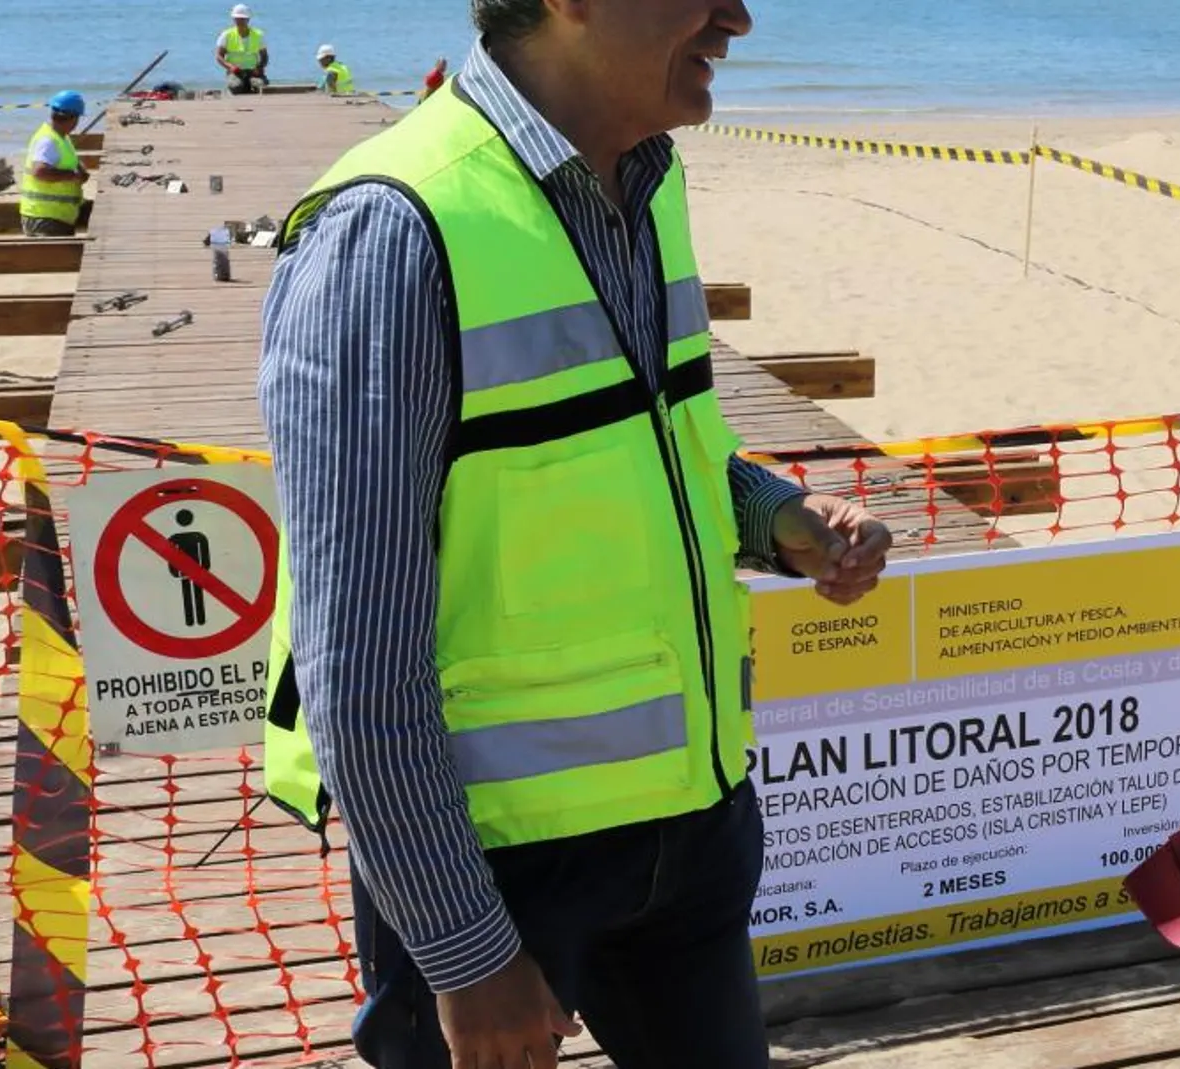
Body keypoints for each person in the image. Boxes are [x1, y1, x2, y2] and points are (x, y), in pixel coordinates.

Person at [257, 1, 890, 1068]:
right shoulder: (390, 229)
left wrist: (774, 514)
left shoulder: (647, 179)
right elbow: (353, 654)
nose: (738, 15)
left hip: (692, 829)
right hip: (493, 868)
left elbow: (644, 446)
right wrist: (463, 952)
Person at [19, 91, 90, 238]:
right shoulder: (48, 140)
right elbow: (39, 171)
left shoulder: (61, 138)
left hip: (56, 216)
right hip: (45, 217)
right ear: (74, 118)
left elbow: (67, 163)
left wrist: (80, 170)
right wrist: (72, 176)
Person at [216, 4, 270, 94]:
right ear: (233, 19)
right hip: (235, 72)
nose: (239, 21)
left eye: (242, 19)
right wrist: (230, 67)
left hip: (253, 71)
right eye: (237, 19)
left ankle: (250, 85)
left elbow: (264, 56)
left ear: (248, 19)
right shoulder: (226, 35)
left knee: (260, 87)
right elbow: (219, 56)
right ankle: (241, 86)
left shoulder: (258, 35)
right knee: (236, 87)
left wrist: (259, 67)